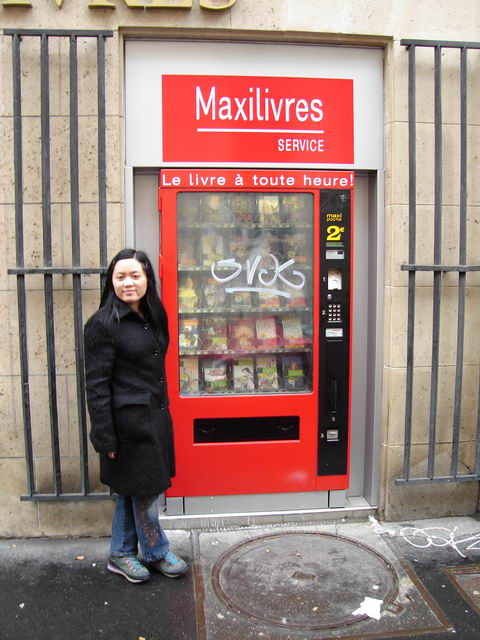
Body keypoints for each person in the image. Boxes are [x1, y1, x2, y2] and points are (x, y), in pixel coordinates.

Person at [84, 248, 188, 584]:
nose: (128, 283)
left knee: (132, 489)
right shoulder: (102, 325)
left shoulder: (154, 314)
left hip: (154, 417)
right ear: (111, 281)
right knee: (145, 491)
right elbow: (96, 385)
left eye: (135, 275)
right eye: (120, 276)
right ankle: (156, 552)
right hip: (127, 426)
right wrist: (104, 436)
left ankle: (120, 553)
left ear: (147, 279)